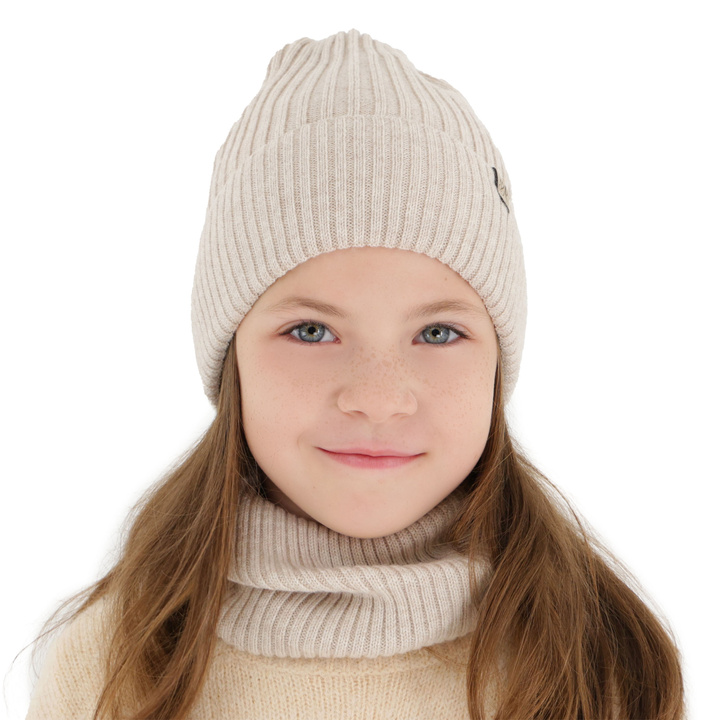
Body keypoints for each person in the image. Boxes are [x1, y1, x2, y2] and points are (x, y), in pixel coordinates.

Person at [26, 28, 685, 720]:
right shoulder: (112, 666)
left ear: (497, 361)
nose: (377, 399)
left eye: (438, 333)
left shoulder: (600, 665)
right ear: (232, 358)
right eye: (311, 331)